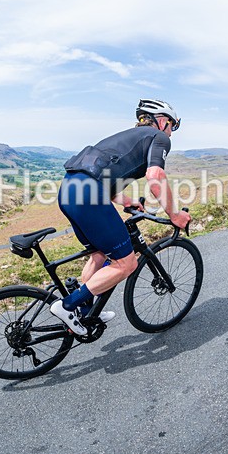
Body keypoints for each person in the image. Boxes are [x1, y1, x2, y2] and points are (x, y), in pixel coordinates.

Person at [50, 99, 192, 335]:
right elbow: (155, 176)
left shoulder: (128, 138)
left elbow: (103, 177)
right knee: (127, 264)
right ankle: (68, 306)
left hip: (68, 190)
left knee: (99, 254)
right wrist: (175, 215)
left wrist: (127, 201)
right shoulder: (159, 137)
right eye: (172, 126)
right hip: (89, 195)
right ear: (162, 121)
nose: (171, 133)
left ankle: (85, 311)